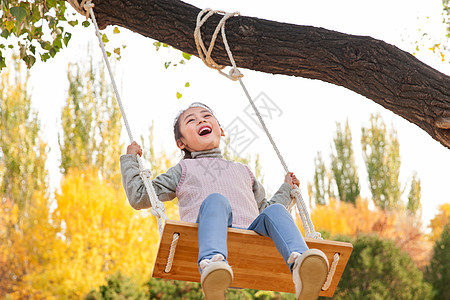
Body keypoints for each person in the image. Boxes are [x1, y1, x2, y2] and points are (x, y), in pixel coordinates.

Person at [120, 102, 329, 300]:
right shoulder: (183, 170)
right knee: (216, 201)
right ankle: (212, 265)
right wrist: (130, 160)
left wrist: (286, 189)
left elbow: (266, 212)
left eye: (206, 116)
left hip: (251, 240)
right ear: (181, 143)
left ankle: (301, 264)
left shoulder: (243, 170)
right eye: (191, 120)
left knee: (275, 211)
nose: (201, 121)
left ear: (221, 130)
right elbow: (139, 196)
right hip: (208, 243)